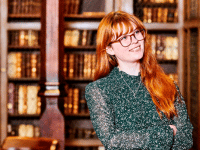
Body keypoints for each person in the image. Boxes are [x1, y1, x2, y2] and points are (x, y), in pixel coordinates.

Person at [85, 11, 193, 150]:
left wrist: (132, 139)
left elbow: (186, 140)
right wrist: (168, 132)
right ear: (110, 49)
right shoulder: (99, 90)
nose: (134, 40)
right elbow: (112, 142)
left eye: (137, 33)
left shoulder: (168, 84)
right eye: (124, 38)